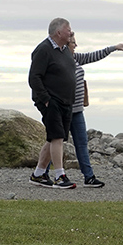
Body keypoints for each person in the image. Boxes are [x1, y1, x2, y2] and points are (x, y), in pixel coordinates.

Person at [66, 33, 123, 188]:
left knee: (82, 143)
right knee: (54, 142)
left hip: (77, 110)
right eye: (73, 43)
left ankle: (89, 177)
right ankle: (42, 172)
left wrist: (114, 48)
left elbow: (93, 56)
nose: (76, 46)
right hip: (63, 110)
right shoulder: (59, 60)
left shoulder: (75, 58)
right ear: (65, 44)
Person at [28, 17, 78, 189]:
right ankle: (60, 176)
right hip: (51, 100)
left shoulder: (65, 50)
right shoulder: (43, 49)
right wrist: (46, 99)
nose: (71, 32)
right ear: (58, 32)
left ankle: (38, 174)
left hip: (66, 101)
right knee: (57, 136)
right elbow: (34, 77)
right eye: (68, 29)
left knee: (54, 138)